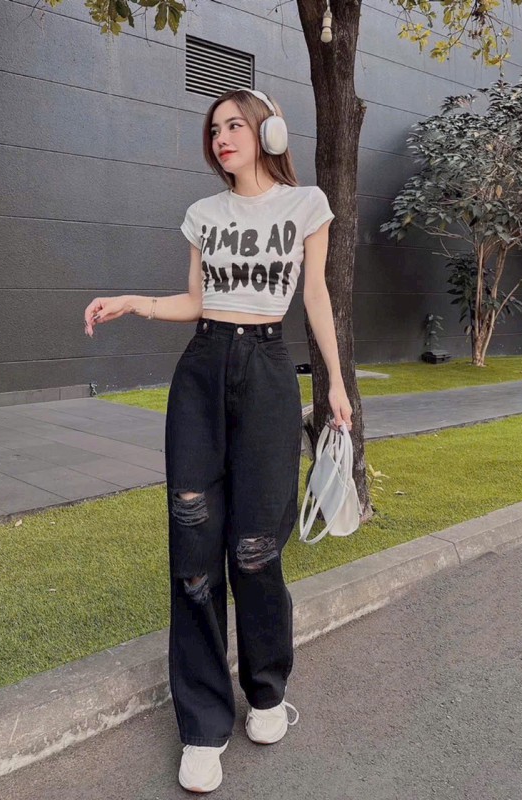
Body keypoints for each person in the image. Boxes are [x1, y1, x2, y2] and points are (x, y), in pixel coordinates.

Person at [84, 88, 353, 793]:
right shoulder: (204, 215)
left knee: (255, 548)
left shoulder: (307, 205)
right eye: (213, 130)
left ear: (269, 131)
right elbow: (198, 301)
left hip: (267, 372)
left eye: (235, 125)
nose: (222, 137)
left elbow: (315, 296)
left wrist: (334, 384)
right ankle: (203, 726)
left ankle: (266, 692)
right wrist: (134, 302)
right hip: (202, 373)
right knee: (194, 549)